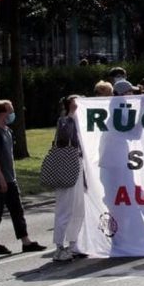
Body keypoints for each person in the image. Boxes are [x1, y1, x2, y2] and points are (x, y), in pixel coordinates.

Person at [0, 101, 45, 255]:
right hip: (1, 179)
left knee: (17, 211)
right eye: (10, 110)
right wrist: (1, 178)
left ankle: (26, 241)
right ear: (3, 113)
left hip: (11, 179)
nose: (13, 114)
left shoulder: (8, 131)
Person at [51, 96, 85, 261]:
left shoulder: (81, 121)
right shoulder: (64, 121)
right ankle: (59, 246)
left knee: (78, 206)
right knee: (65, 206)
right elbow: (64, 137)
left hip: (79, 164)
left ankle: (73, 243)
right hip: (67, 164)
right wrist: (71, 114)